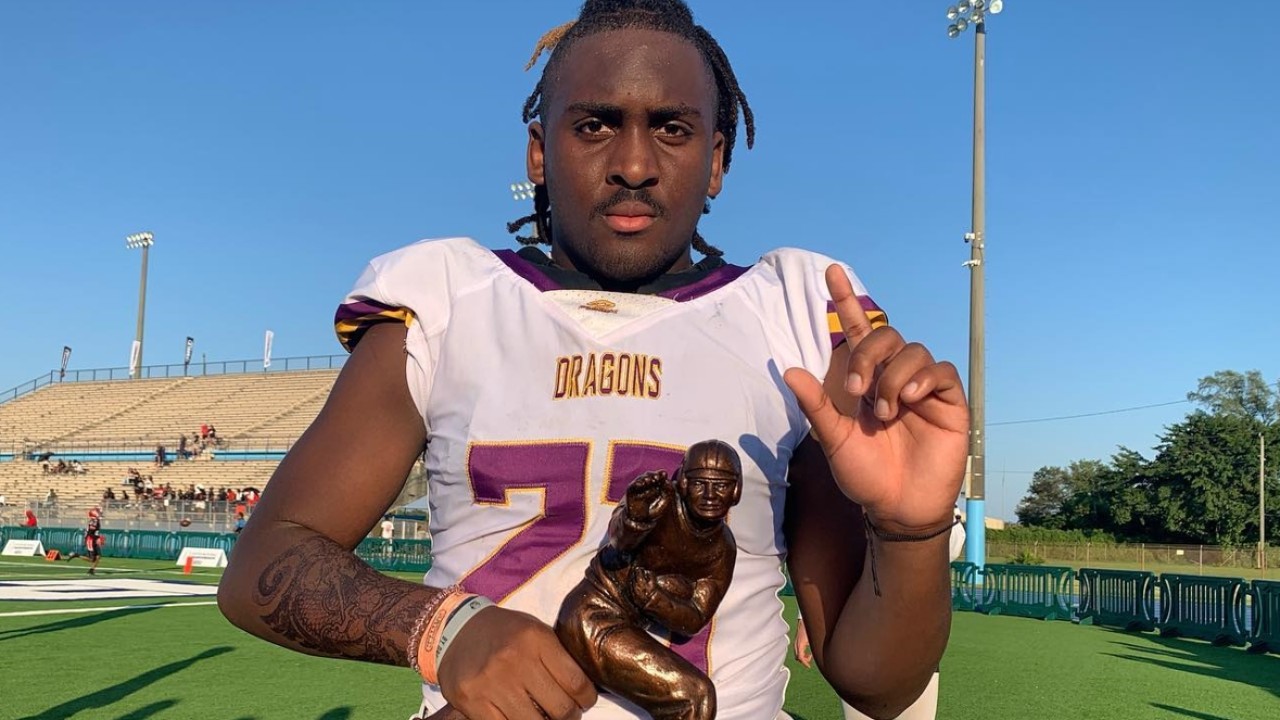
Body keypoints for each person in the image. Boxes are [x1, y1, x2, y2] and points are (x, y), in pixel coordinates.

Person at [217, 2, 967, 719]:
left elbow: (876, 683)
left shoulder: (793, 312)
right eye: (595, 125)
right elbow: (263, 565)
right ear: (539, 152)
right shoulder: (445, 299)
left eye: (671, 128)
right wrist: (447, 629)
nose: (634, 164)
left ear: (715, 160)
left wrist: (911, 530)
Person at [793, 516, 967, 719]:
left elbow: (954, 543)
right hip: (860, 628)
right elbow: (823, 547)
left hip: (915, 632)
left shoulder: (926, 503)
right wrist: (804, 617)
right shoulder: (848, 502)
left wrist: (918, 525)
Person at [66, 508, 104, 575]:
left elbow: (95, 532)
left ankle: (92, 570)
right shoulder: (93, 521)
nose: (100, 514)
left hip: (94, 540)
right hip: (91, 540)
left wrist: (98, 538)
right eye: (99, 513)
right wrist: (98, 538)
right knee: (92, 559)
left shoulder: (96, 521)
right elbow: (91, 532)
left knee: (98, 556)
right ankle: (77, 555)